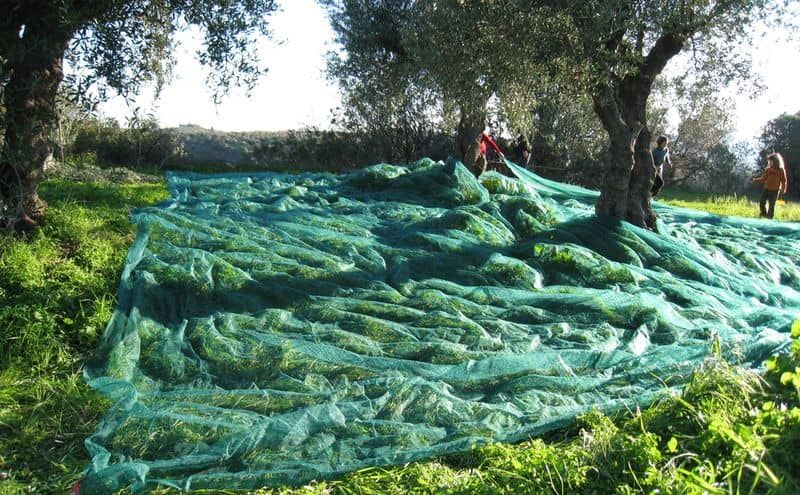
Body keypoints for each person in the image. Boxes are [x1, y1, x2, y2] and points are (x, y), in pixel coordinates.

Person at [751, 152, 788, 219]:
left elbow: (784, 181)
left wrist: (783, 189)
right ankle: (763, 214)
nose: (770, 163)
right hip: (766, 189)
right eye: (769, 161)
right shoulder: (768, 170)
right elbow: (763, 178)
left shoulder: (781, 170)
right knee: (762, 202)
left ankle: (770, 217)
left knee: (771, 205)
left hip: (775, 191)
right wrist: (755, 180)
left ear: (776, 161)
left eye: (771, 161)